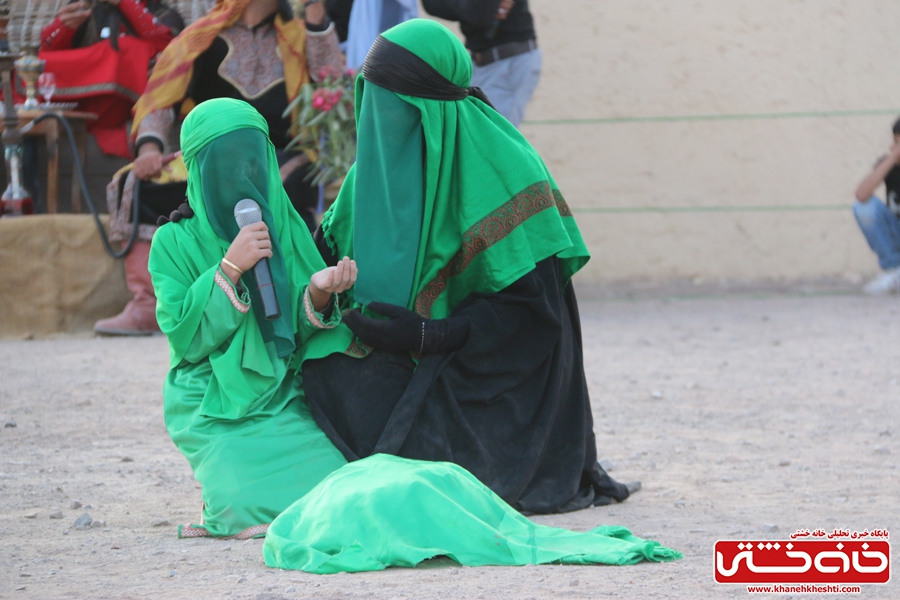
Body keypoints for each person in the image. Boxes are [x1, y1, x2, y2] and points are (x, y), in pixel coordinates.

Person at [302, 19, 639, 516]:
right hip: (399, 352)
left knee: (408, 454)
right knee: (327, 377)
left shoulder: (504, 168)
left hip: (490, 374)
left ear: (428, 108)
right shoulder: (369, 174)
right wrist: (322, 293)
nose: (378, 122)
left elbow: (534, 318)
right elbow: (318, 262)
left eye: (392, 107)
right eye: (370, 103)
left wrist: (428, 336)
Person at [148, 97, 358, 539]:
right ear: (197, 170)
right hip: (211, 398)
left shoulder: (285, 228)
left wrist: (318, 291)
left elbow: (292, 334)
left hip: (280, 392)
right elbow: (187, 342)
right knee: (240, 498)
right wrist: (229, 268)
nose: (241, 176)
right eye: (225, 164)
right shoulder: (171, 242)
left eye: (251, 160)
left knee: (337, 486)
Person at [95, 0, 343, 336]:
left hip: (278, 155)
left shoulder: (299, 36)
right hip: (210, 160)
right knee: (138, 184)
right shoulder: (201, 37)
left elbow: (332, 83)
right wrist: (150, 145)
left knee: (280, 186)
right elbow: (163, 97)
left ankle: (286, 300)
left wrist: (314, 13)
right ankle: (148, 304)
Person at [39, 0, 185, 158]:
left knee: (134, 49)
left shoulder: (164, 14)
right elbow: (48, 60)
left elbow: (169, 46)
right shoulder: (88, 9)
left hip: (131, 109)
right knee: (26, 67)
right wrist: (63, 28)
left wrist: (124, 3)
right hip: (79, 104)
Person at [422, 0, 539, 127]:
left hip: (509, 64)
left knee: (493, 136)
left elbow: (480, 15)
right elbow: (432, 5)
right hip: (481, 65)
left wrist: (467, 8)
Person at [853, 117, 900, 295]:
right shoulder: (889, 165)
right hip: (895, 230)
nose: (895, 147)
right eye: (895, 141)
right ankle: (893, 271)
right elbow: (861, 195)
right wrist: (890, 160)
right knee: (863, 207)